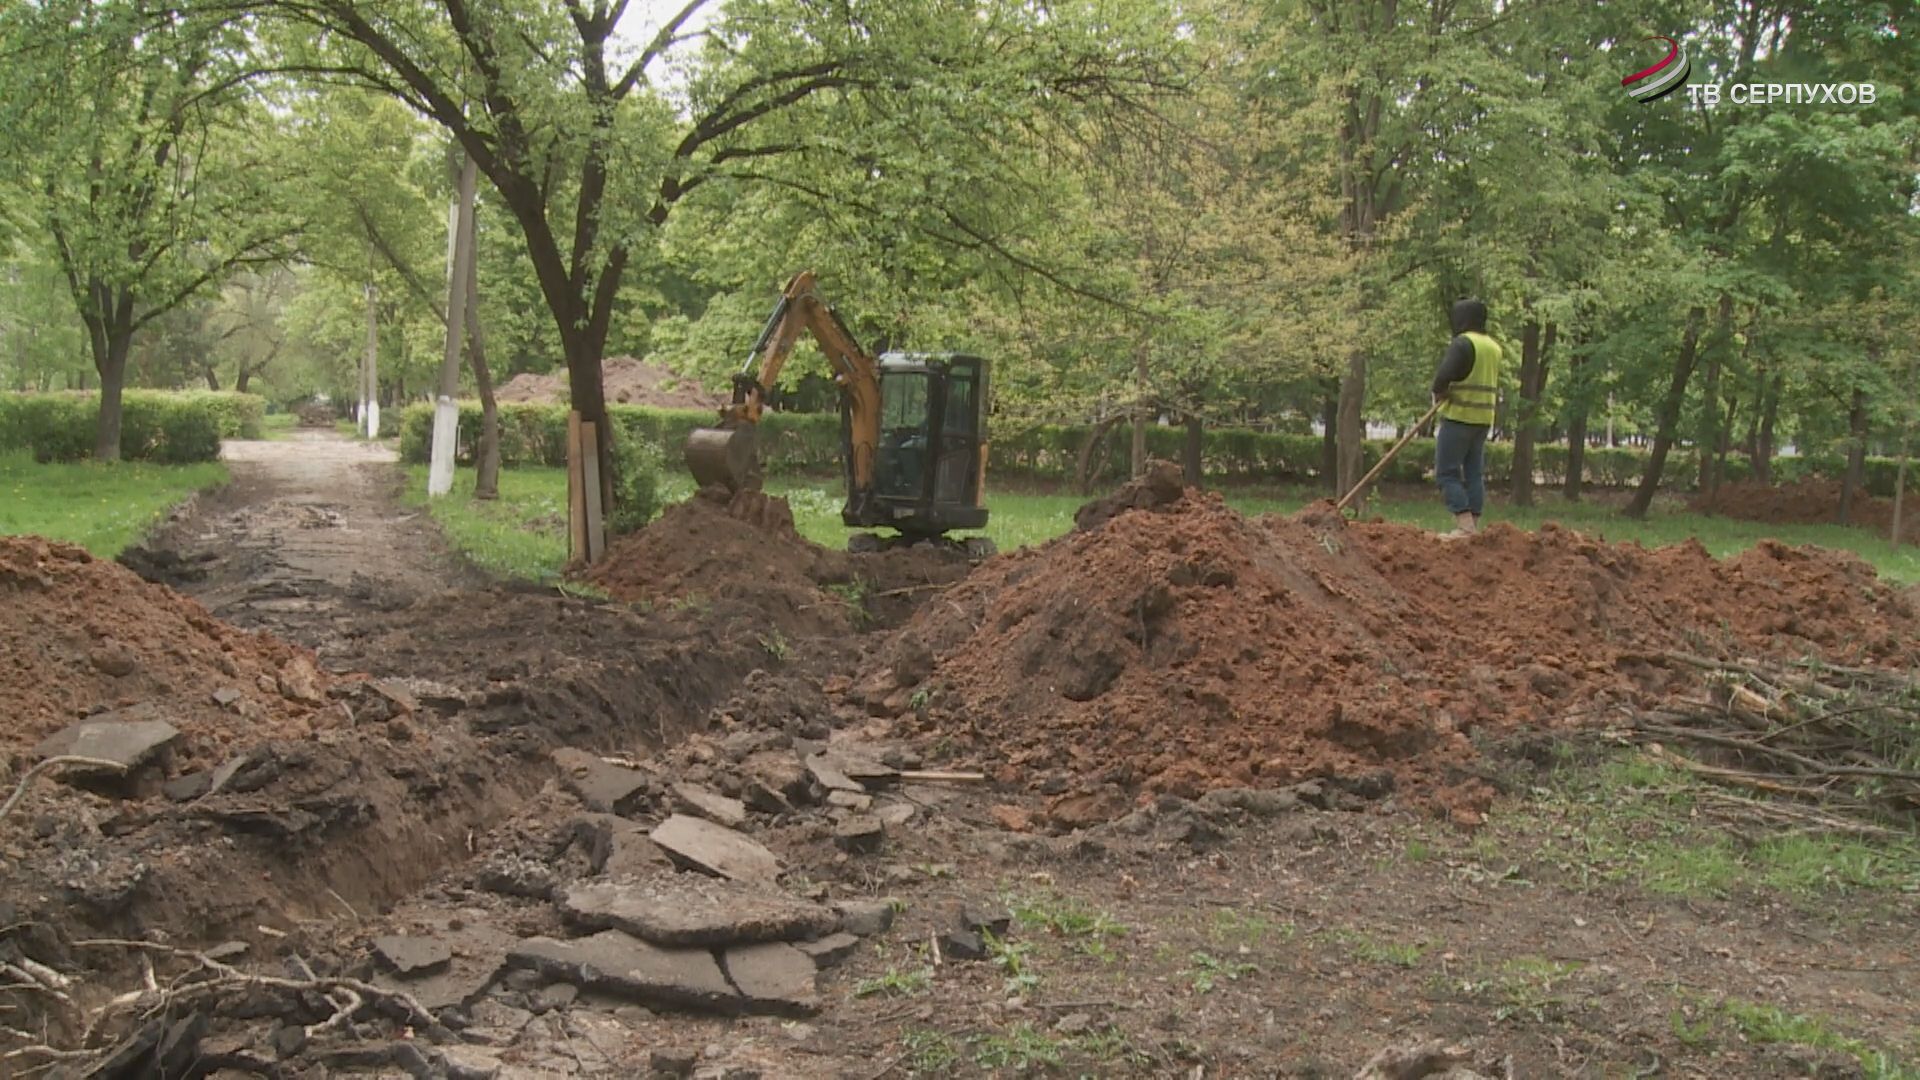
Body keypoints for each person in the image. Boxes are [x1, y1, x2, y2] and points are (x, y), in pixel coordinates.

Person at [1430, 298, 1501, 539]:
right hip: (1482, 420)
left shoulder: (1463, 344)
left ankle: (1464, 526)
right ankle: (1474, 525)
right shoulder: (1493, 347)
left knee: (1446, 473)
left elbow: (1443, 376)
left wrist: (1440, 392)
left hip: (1459, 417)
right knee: (1473, 473)